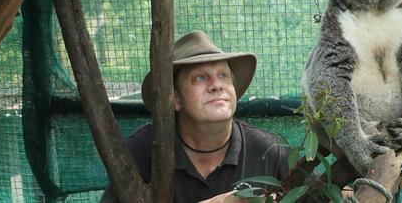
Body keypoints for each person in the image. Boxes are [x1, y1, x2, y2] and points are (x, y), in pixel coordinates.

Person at [101, 30, 289, 202]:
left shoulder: (268, 150)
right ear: (175, 98)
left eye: (223, 75)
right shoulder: (142, 150)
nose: (217, 85)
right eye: (201, 77)